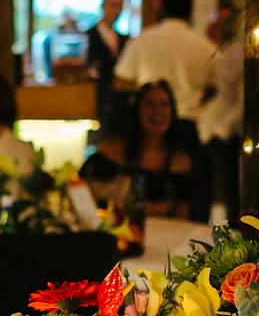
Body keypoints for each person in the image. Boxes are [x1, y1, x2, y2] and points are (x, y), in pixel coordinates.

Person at [80, 80, 197, 219]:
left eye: (164, 105)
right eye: (150, 105)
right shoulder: (110, 154)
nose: (158, 112)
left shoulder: (183, 161)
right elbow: (87, 200)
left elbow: (187, 217)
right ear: (136, 111)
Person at [113, 0, 216, 129]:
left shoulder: (142, 40)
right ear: (190, 11)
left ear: (163, 9)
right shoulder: (205, 46)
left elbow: (121, 82)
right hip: (191, 124)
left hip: (150, 123)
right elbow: (218, 85)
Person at [196, 9, 244, 224]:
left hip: (224, 130)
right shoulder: (223, 51)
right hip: (211, 127)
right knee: (208, 188)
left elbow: (242, 100)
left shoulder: (238, 53)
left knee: (229, 189)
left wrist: (223, 129)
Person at [86, 0, 129, 132]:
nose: (116, 11)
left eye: (119, 6)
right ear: (103, 5)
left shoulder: (124, 39)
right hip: (95, 103)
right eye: (112, 5)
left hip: (119, 107)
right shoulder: (88, 37)